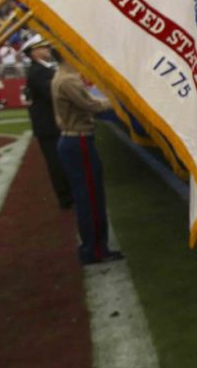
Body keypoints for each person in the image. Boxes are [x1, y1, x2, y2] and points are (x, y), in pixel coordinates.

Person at [51, 54, 124, 265]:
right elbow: (92, 106)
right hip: (79, 140)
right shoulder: (69, 79)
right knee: (91, 197)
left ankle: (93, 247)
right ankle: (95, 250)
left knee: (88, 196)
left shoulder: (61, 76)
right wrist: (120, 101)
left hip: (73, 140)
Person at [21, 34, 71, 209]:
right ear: (34, 53)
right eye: (43, 47)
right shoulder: (38, 72)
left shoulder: (44, 69)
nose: (48, 49)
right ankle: (66, 199)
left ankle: (68, 195)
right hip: (48, 125)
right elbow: (54, 94)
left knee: (60, 161)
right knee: (56, 163)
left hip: (50, 124)